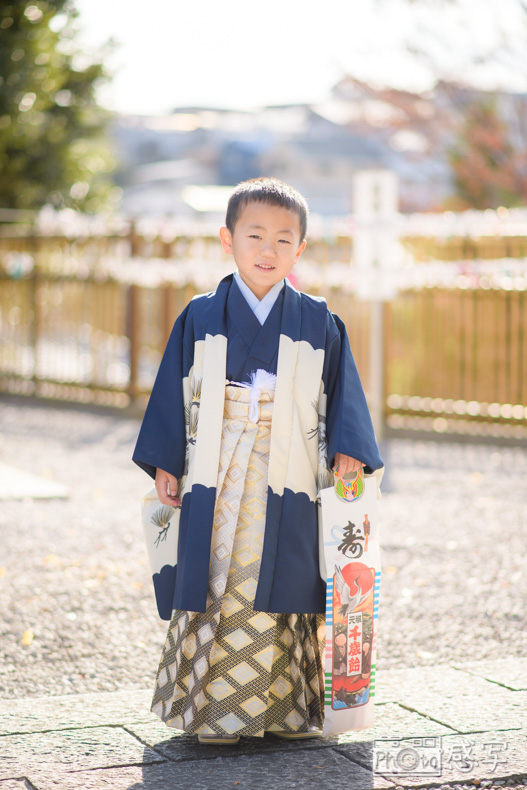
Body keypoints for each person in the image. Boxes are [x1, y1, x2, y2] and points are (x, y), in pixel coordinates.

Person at [133, 177, 383, 745]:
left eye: (284, 239)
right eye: (255, 236)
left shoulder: (319, 318)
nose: (268, 250)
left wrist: (348, 449)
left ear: (302, 248)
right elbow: (173, 392)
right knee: (219, 574)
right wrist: (166, 460)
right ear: (228, 240)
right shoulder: (200, 314)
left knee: (290, 577)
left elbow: (343, 391)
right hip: (215, 469)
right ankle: (217, 713)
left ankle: (289, 711)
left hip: (289, 467)